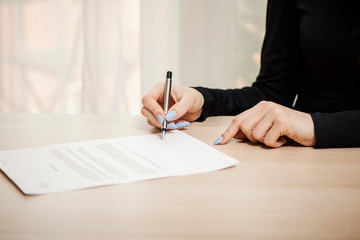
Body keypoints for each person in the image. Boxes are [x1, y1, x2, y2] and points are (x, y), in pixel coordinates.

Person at [141, 0, 360, 148]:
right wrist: (202, 101)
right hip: (298, 157)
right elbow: (272, 92)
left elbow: (306, 122)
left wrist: (315, 125)